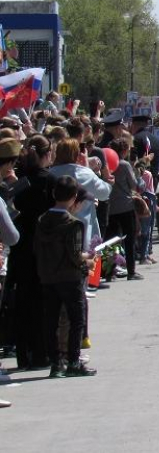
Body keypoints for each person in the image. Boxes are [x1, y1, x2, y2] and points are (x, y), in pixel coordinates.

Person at [35, 175, 96, 378]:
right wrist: (87, 261)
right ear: (73, 197)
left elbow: (37, 249)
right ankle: (73, 361)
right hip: (70, 277)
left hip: (48, 275)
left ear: (54, 194)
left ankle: (55, 363)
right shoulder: (73, 224)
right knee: (76, 318)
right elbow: (74, 254)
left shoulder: (42, 220)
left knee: (50, 319)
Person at [7, 135, 54, 370]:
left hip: (21, 245)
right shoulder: (49, 180)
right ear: (46, 154)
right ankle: (42, 354)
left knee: (23, 301)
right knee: (43, 302)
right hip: (43, 246)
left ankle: (23, 355)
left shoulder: (18, 180)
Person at [107, 137, 144, 281]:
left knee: (111, 241)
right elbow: (134, 185)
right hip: (125, 206)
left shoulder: (108, 165)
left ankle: (110, 273)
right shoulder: (124, 165)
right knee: (129, 239)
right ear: (123, 150)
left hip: (111, 207)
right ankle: (131, 271)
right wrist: (139, 176)